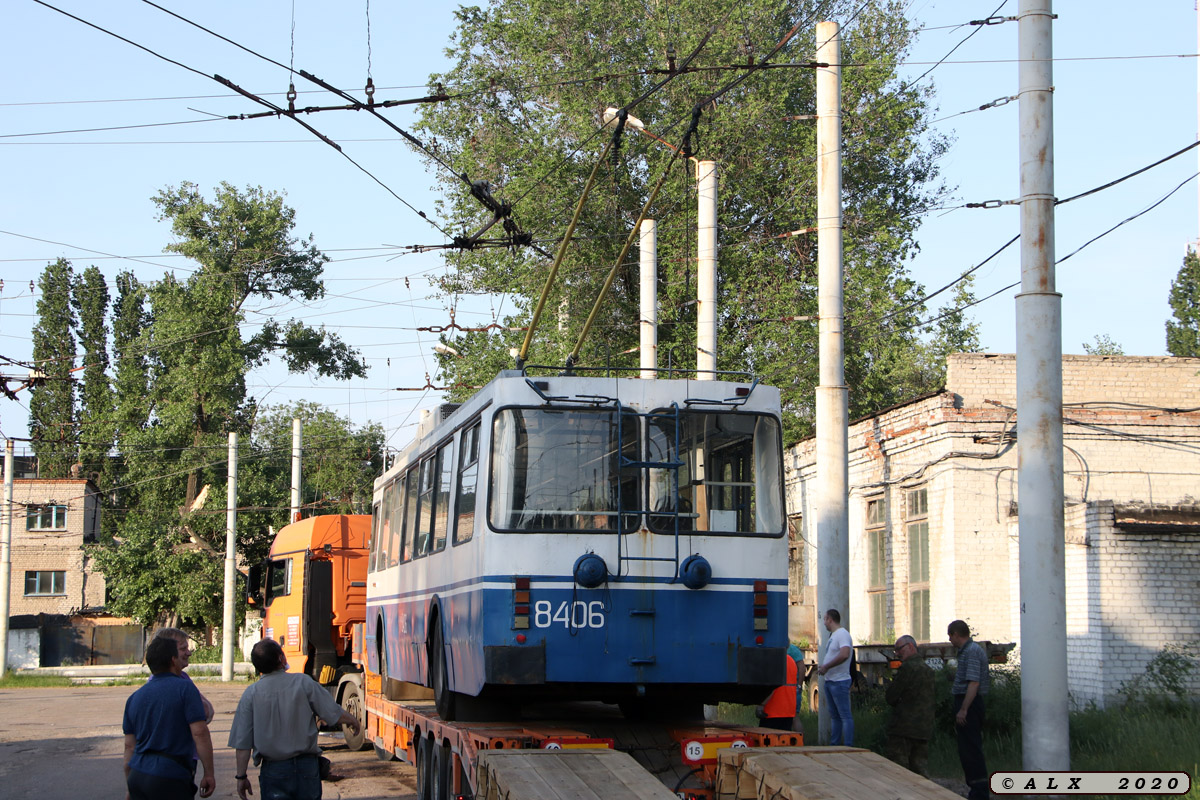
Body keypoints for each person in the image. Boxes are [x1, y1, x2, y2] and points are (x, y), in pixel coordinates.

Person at [229, 638, 362, 800]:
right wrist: (353, 720)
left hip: (274, 770)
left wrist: (241, 777)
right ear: (280, 658)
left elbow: (243, 743)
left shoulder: (251, 694)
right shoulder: (303, 683)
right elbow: (332, 712)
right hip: (306, 768)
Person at [122, 636, 216, 800]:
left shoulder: (134, 698)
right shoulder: (185, 688)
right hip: (170, 775)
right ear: (173, 660)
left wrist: (130, 786)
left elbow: (129, 747)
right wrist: (209, 773)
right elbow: (199, 733)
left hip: (138, 775)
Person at [948, 619, 990, 800]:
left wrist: (964, 709)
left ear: (957, 634)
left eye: (951, 636)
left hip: (970, 704)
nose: (950, 640)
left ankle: (979, 792)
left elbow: (973, 683)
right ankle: (975, 788)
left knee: (971, 749)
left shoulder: (971, 652)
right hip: (968, 702)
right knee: (966, 749)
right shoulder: (966, 652)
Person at [884, 634, 935, 775]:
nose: (897, 653)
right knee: (920, 770)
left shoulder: (907, 668)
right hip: (923, 728)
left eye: (899, 649)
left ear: (911, 647)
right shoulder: (928, 671)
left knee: (898, 772)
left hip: (903, 729)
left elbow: (891, 697)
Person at [154, 627, 215, 724]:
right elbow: (204, 712)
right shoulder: (175, 686)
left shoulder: (183, 676)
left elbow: (207, 711)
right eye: (183, 649)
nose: (189, 653)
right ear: (167, 652)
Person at [817, 608, 853, 745]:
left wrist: (827, 666)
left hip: (840, 681)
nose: (824, 623)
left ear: (830, 620)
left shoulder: (842, 634)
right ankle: (835, 744)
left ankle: (848, 746)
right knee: (835, 716)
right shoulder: (833, 636)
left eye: (825, 619)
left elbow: (844, 654)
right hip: (830, 680)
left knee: (844, 715)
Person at [756, 646, 800, 730]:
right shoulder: (791, 661)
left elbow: (771, 688)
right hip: (788, 711)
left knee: (769, 741)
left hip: (773, 711)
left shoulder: (774, 661)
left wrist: (761, 705)